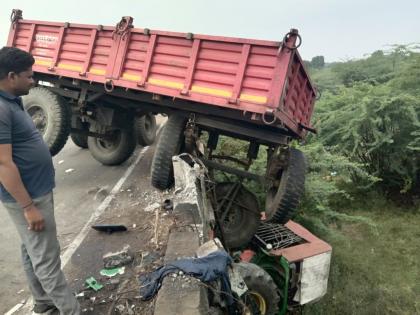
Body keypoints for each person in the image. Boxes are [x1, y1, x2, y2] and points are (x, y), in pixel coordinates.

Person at [0, 47, 80, 314]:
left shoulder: (11, 100)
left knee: (31, 248)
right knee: (47, 258)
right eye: (29, 76)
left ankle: (43, 303)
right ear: (11, 76)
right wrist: (28, 207)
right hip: (29, 195)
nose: (33, 81)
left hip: (35, 190)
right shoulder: (0, 108)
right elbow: (3, 163)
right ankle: (71, 310)